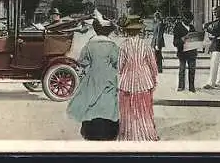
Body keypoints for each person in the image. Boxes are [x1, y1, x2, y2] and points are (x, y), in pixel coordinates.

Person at [66, 11, 119, 141]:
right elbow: (117, 62)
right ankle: (108, 130)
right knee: (107, 101)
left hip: (92, 77)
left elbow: (82, 61)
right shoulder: (112, 46)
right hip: (108, 78)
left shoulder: (90, 44)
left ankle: (91, 129)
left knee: (91, 101)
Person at [117, 15, 159, 141]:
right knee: (144, 109)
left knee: (128, 111)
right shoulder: (146, 46)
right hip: (144, 81)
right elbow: (153, 66)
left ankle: (129, 135)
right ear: (139, 31)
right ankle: (147, 134)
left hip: (127, 82)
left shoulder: (123, 46)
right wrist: (154, 79)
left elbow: (119, 67)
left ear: (127, 31)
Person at [203, 5, 220, 89]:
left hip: (218, 44)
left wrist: (207, 28)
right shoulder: (218, 21)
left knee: (215, 64)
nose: (214, 13)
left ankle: (211, 83)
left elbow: (216, 32)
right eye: (213, 12)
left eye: (215, 12)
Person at [173, 11, 197, 92]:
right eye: (188, 20)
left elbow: (195, 39)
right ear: (183, 19)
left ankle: (191, 87)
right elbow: (175, 42)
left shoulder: (192, 27)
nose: (189, 22)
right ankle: (181, 86)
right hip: (182, 52)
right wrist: (182, 39)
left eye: (190, 20)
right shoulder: (177, 27)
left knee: (192, 70)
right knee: (182, 70)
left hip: (192, 52)